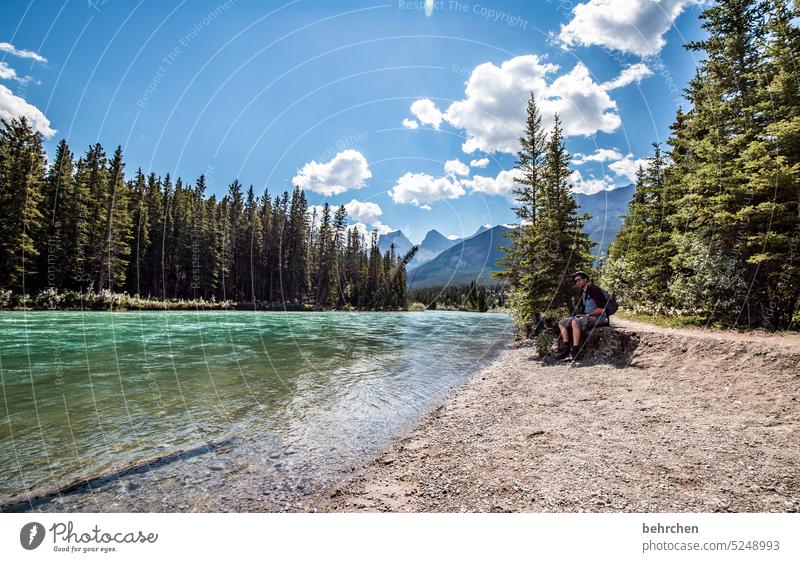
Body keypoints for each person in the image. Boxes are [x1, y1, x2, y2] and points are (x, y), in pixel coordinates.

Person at [553, 271, 609, 361]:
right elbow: (584, 309)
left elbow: (602, 309)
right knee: (562, 323)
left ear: (585, 280)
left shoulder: (594, 289)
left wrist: (587, 315)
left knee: (575, 322)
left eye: (579, 280)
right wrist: (582, 315)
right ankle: (566, 349)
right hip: (588, 317)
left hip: (599, 318)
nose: (577, 283)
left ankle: (575, 351)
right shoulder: (583, 293)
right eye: (576, 281)